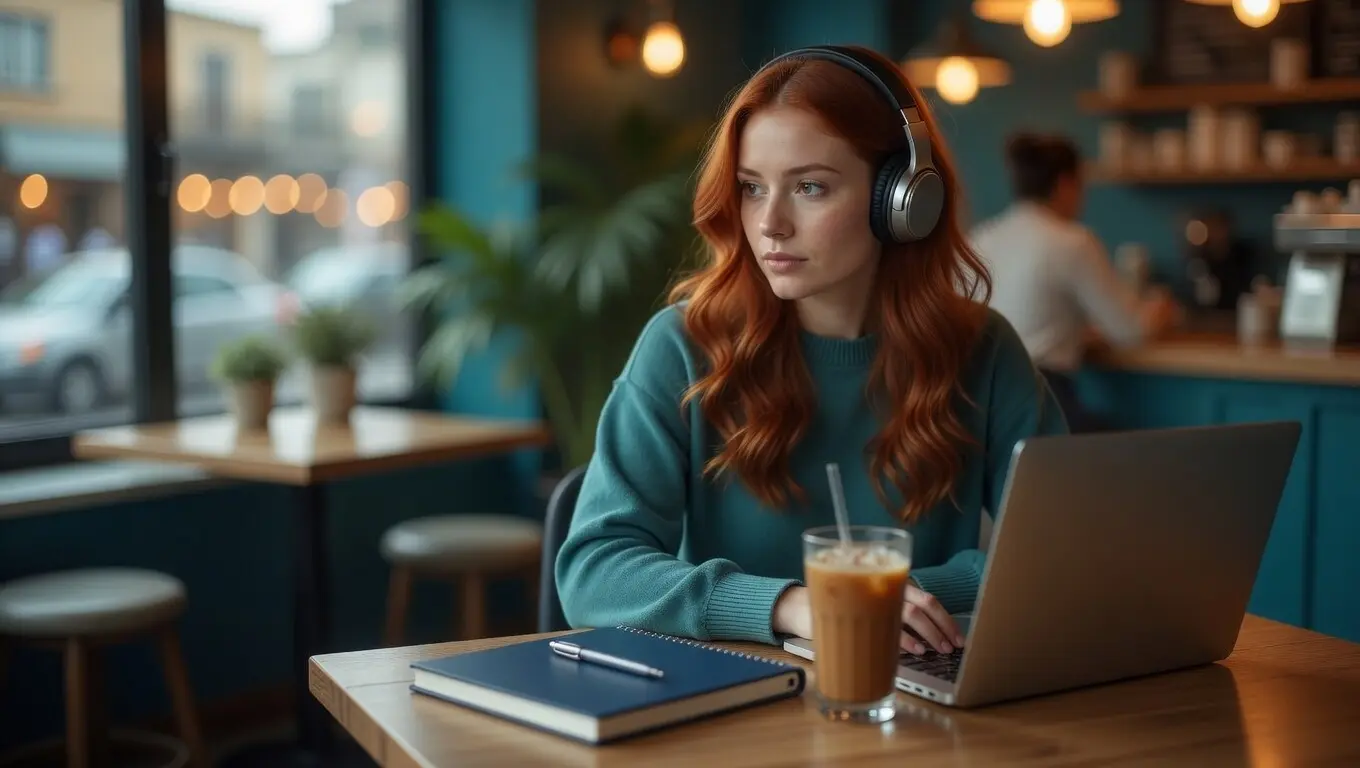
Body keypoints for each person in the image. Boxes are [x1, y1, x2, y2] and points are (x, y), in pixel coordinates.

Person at [554, 45, 1068, 658]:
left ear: (902, 199)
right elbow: (593, 571)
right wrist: (793, 603)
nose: (770, 222)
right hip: (726, 709)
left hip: (906, 703)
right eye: (750, 187)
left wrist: (881, 594)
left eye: (810, 187)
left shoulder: (983, 352)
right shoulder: (682, 346)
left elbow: (1066, 548)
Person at [970, 132, 1179, 432]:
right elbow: (1130, 330)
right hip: (1039, 400)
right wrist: (1162, 309)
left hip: (978, 401)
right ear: (1066, 184)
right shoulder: (1072, 242)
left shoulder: (980, 238)